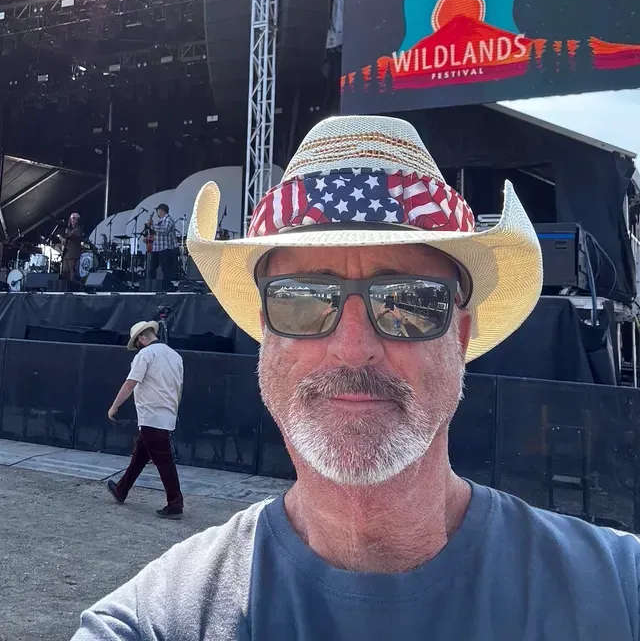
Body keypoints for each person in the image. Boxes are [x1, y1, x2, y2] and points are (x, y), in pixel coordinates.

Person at [74, 115, 640, 640]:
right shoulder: (156, 619)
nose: (352, 349)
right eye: (301, 300)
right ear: (266, 337)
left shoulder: (620, 590)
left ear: (461, 338)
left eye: (409, 302)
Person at [105, 320, 184, 517]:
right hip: (166, 413)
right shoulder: (175, 356)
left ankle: (175, 503)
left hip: (151, 415)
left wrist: (114, 406)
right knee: (140, 456)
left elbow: (130, 383)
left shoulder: (146, 354)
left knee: (163, 461)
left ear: (141, 338)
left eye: (137, 341)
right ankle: (121, 489)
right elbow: (178, 388)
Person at [146, 203, 179, 284]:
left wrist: (152, 225)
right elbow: (157, 233)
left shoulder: (169, 219)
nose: (157, 212)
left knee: (166, 270)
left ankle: (167, 286)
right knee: (152, 268)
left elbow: (164, 230)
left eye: (158, 210)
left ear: (161, 210)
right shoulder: (160, 221)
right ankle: (150, 285)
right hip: (157, 249)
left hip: (165, 249)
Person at [60, 212, 83, 282]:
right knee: (65, 269)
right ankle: (66, 283)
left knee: (71, 269)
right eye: (71, 219)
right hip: (67, 251)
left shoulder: (78, 228)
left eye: (74, 219)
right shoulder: (69, 228)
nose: (72, 220)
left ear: (77, 220)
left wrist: (67, 235)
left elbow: (75, 237)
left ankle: (71, 285)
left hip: (73, 251)